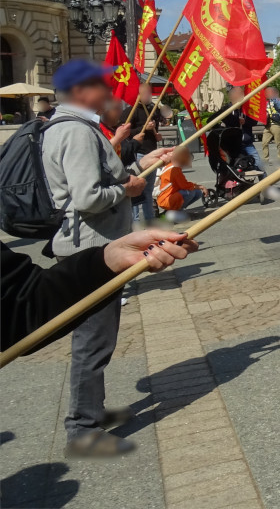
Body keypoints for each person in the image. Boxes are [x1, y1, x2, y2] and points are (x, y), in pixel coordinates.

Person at [41, 59, 172, 457]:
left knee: (97, 337)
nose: (110, 95)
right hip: (89, 247)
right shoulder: (77, 133)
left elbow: (100, 179)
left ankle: (91, 412)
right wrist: (129, 191)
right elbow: (88, 198)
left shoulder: (71, 128)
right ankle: (82, 429)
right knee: (92, 340)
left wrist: (139, 166)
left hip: (92, 244)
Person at [2, 229, 198, 354]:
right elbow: (86, 197)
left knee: (97, 345)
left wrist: (106, 261)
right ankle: (84, 418)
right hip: (83, 238)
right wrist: (124, 188)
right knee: (92, 345)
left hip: (91, 252)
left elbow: (22, 309)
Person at [219, 86, 266, 173]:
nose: (242, 96)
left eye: (242, 94)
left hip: (247, 143)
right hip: (233, 145)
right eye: (239, 94)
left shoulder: (247, 108)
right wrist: (236, 121)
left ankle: (265, 184)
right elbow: (226, 121)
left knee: (259, 165)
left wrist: (245, 121)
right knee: (233, 167)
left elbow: (254, 121)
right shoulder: (227, 109)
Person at [154, 147, 206, 222]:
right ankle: (175, 211)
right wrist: (200, 186)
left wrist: (197, 187)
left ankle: (172, 211)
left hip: (167, 197)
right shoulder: (175, 169)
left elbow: (183, 184)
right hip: (166, 199)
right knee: (189, 192)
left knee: (196, 192)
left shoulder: (172, 166)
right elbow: (184, 185)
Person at [261, 87, 280, 164]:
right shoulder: (265, 102)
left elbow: (279, 106)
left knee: (278, 143)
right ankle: (266, 159)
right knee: (264, 142)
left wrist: (273, 99)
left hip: (276, 124)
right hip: (267, 125)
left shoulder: (279, 100)